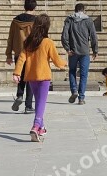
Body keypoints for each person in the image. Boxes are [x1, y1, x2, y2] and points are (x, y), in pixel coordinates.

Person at [13, 14, 67, 142]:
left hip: (31, 77)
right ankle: (36, 125)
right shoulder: (48, 42)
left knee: (38, 101)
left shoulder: (28, 41)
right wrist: (65, 63)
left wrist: (17, 73)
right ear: (46, 27)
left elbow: (21, 58)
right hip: (43, 77)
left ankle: (41, 127)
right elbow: (57, 61)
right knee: (41, 102)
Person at [62, 3, 99, 105]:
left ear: (75, 10)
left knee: (72, 71)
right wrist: (95, 50)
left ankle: (74, 90)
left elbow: (64, 35)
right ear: (84, 10)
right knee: (83, 75)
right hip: (84, 52)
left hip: (73, 51)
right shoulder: (88, 20)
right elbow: (93, 36)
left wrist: (67, 48)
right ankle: (81, 98)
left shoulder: (69, 20)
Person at [7, 0, 37, 114]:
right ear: (34, 7)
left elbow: (10, 38)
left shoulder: (15, 21)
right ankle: (28, 105)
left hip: (19, 52)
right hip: (31, 53)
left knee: (20, 75)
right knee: (30, 79)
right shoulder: (36, 21)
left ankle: (19, 95)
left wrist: (8, 54)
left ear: (24, 6)